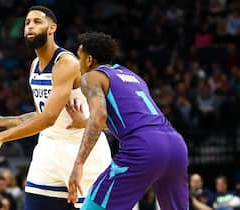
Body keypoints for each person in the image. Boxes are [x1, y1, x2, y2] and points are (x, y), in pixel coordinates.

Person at [0, 6, 111, 210]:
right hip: (48, 149)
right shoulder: (35, 65)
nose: (30, 26)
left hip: (83, 150)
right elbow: (41, 115)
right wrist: (0, 121)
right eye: (27, 22)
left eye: (37, 21)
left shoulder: (66, 63)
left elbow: (49, 118)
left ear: (51, 28)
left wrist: (0, 137)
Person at [67, 32, 189, 210]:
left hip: (144, 147)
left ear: (89, 59)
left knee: (93, 207)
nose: (78, 64)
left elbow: (99, 115)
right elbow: (131, 121)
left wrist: (78, 164)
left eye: (79, 57)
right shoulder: (133, 77)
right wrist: (85, 122)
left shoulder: (91, 77)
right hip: (176, 146)